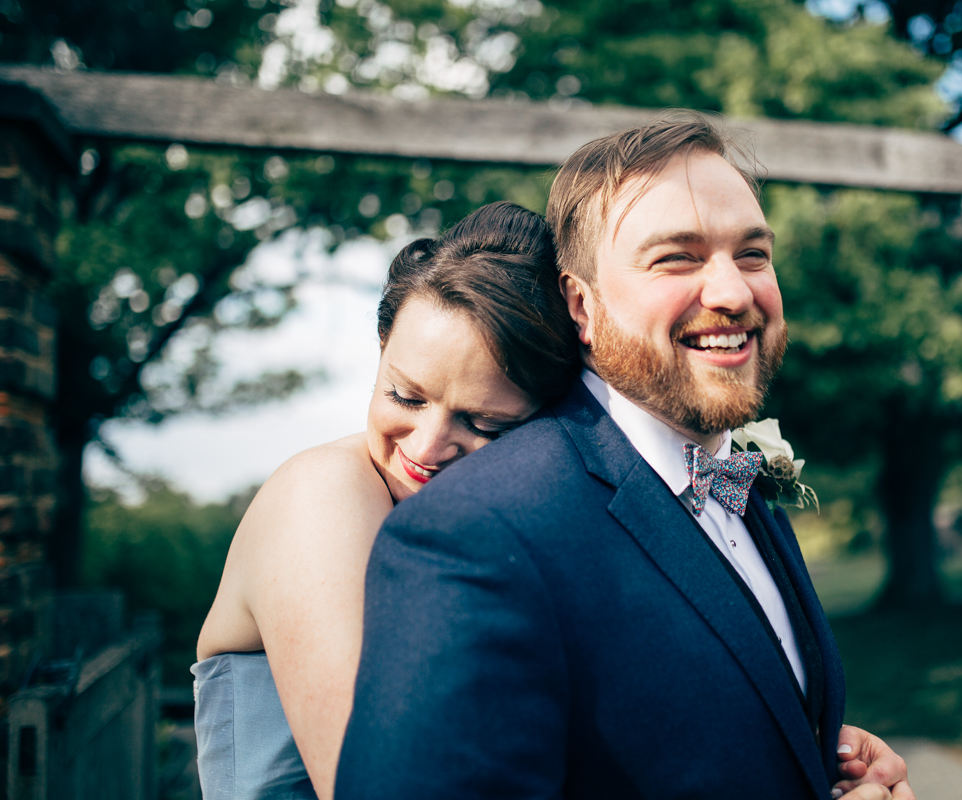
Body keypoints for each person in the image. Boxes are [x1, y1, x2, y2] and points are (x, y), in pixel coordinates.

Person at [337, 114, 913, 799]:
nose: (733, 292)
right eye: (678, 257)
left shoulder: (741, 488)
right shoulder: (477, 534)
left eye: (752, 255)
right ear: (580, 304)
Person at [192, 201, 580, 800]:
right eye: (406, 396)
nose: (427, 447)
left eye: (484, 424)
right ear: (381, 347)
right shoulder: (321, 496)